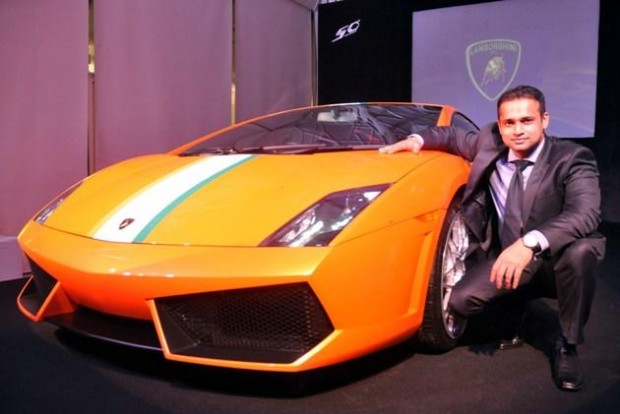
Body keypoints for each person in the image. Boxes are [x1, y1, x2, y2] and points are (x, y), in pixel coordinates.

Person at [380, 85, 605, 391]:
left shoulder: (573, 157)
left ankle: (567, 344)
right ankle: (517, 304)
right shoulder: (489, 141)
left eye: (527, 120)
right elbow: (452, 136)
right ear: (500, 125)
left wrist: (529, 244)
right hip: (507, 256)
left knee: (582, 252)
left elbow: (585, 213)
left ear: (545, 120)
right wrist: (416, 140)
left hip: (555, 259)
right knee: (460, 302)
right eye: (509, 123)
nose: (518, 130)